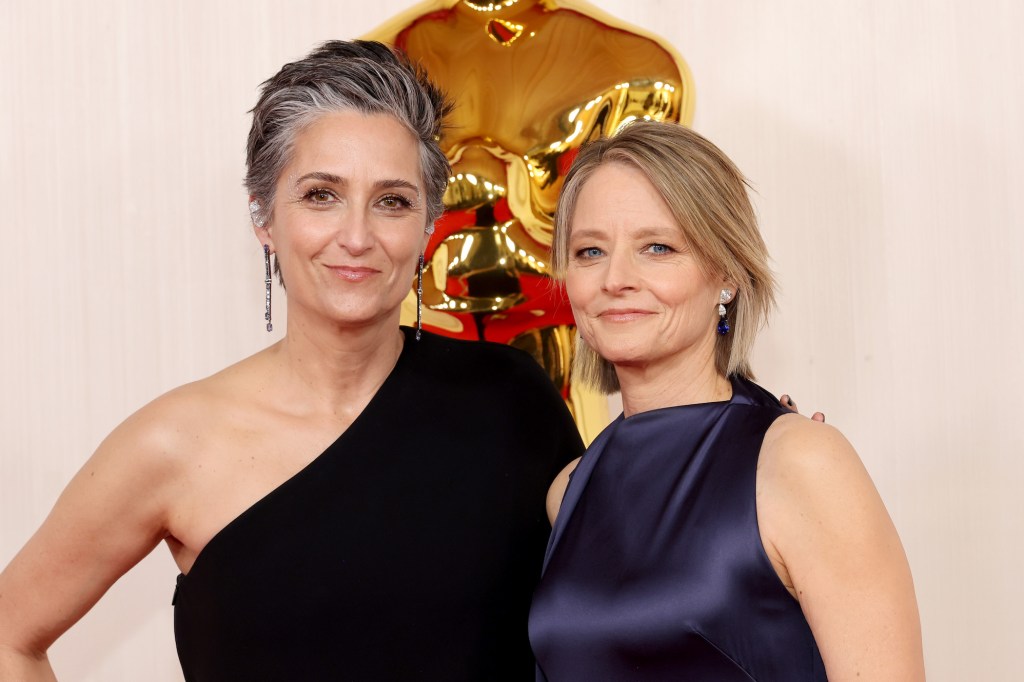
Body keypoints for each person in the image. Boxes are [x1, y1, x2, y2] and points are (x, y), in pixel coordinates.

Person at [0, 40, 583, 681]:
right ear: (264, 218)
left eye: (392, 200)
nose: (356, 237)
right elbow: (10, 637)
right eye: (320, 195)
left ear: (427, 228)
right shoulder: (173, 444)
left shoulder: (512, 401)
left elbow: (621, 611)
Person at [528, 120, 924, 681]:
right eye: (590, 251)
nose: (615, 278)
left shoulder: (802, 462)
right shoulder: (568, 492)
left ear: (727, 275)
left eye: (657, 247)